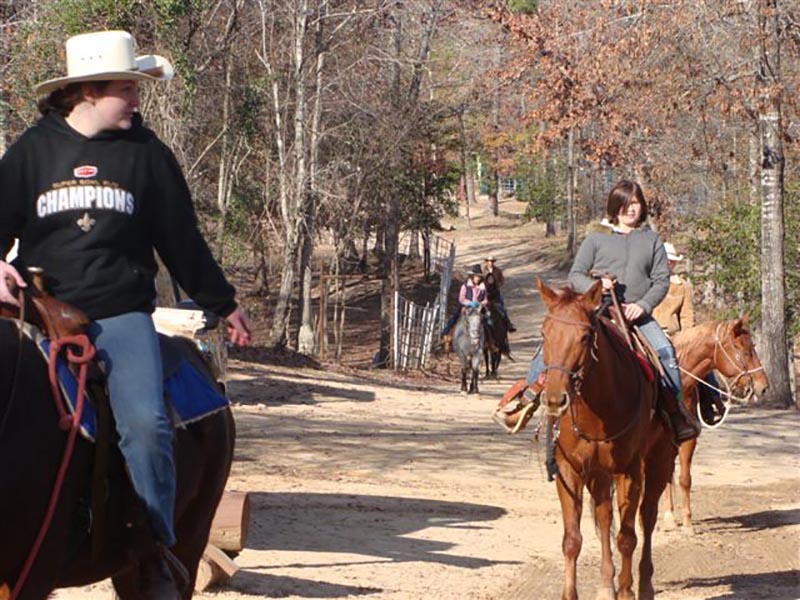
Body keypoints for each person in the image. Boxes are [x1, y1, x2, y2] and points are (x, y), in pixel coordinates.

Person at [0, 30, 251, 597]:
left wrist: (222, 302)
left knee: (143, 423)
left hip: (118, 315)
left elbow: (181, 240)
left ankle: (154, 548)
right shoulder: (33, 151)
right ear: (86, 92)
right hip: (35, 312)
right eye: (125, 88)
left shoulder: (147, 156)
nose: (137, 98)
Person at [497, 180, 700, 444]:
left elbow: (661, 280)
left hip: (637, 314)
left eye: (636, 203)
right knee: (554, 347)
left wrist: (643, 306)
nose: (631, 209)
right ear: (616, 206)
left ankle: (675, 414)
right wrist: (598, 285)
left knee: (665, 351)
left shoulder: (651, 240)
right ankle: (526, 400)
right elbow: (575, 275)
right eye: (626, 204)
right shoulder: (595, 239)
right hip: (599, 309)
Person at [653, 242, 724, 423]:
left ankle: (711, 400)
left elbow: (686, 315)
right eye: (666, 260)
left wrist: (687, 338)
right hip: (650, 331)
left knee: (702, 360)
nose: (669, 264)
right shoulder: (648, 281)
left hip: (675, 335)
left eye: (672, 261)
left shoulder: (682, 286)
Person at [441, 265, 489, 339]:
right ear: (472, 276)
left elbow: (485, 299)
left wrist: (480, 304)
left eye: (479, 277)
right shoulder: (465, 286)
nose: (478, 278)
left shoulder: (482, 287)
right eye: (476, 276)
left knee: (489, 320)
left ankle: (491, 341)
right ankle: (446, 332)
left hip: (479, 308)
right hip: (466, 306)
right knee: (455, 317)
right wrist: (470, 303)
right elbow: (461, 298)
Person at [482, 255, 516, 332]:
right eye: (489, 261)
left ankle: (508, 323)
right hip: (485, 292)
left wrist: (497, 285)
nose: (490, 263)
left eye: (492, 261)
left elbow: (502, 280)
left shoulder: (497, 271)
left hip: (495, 292)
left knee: (502, 308)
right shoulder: (483, 271)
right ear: (486, 262)